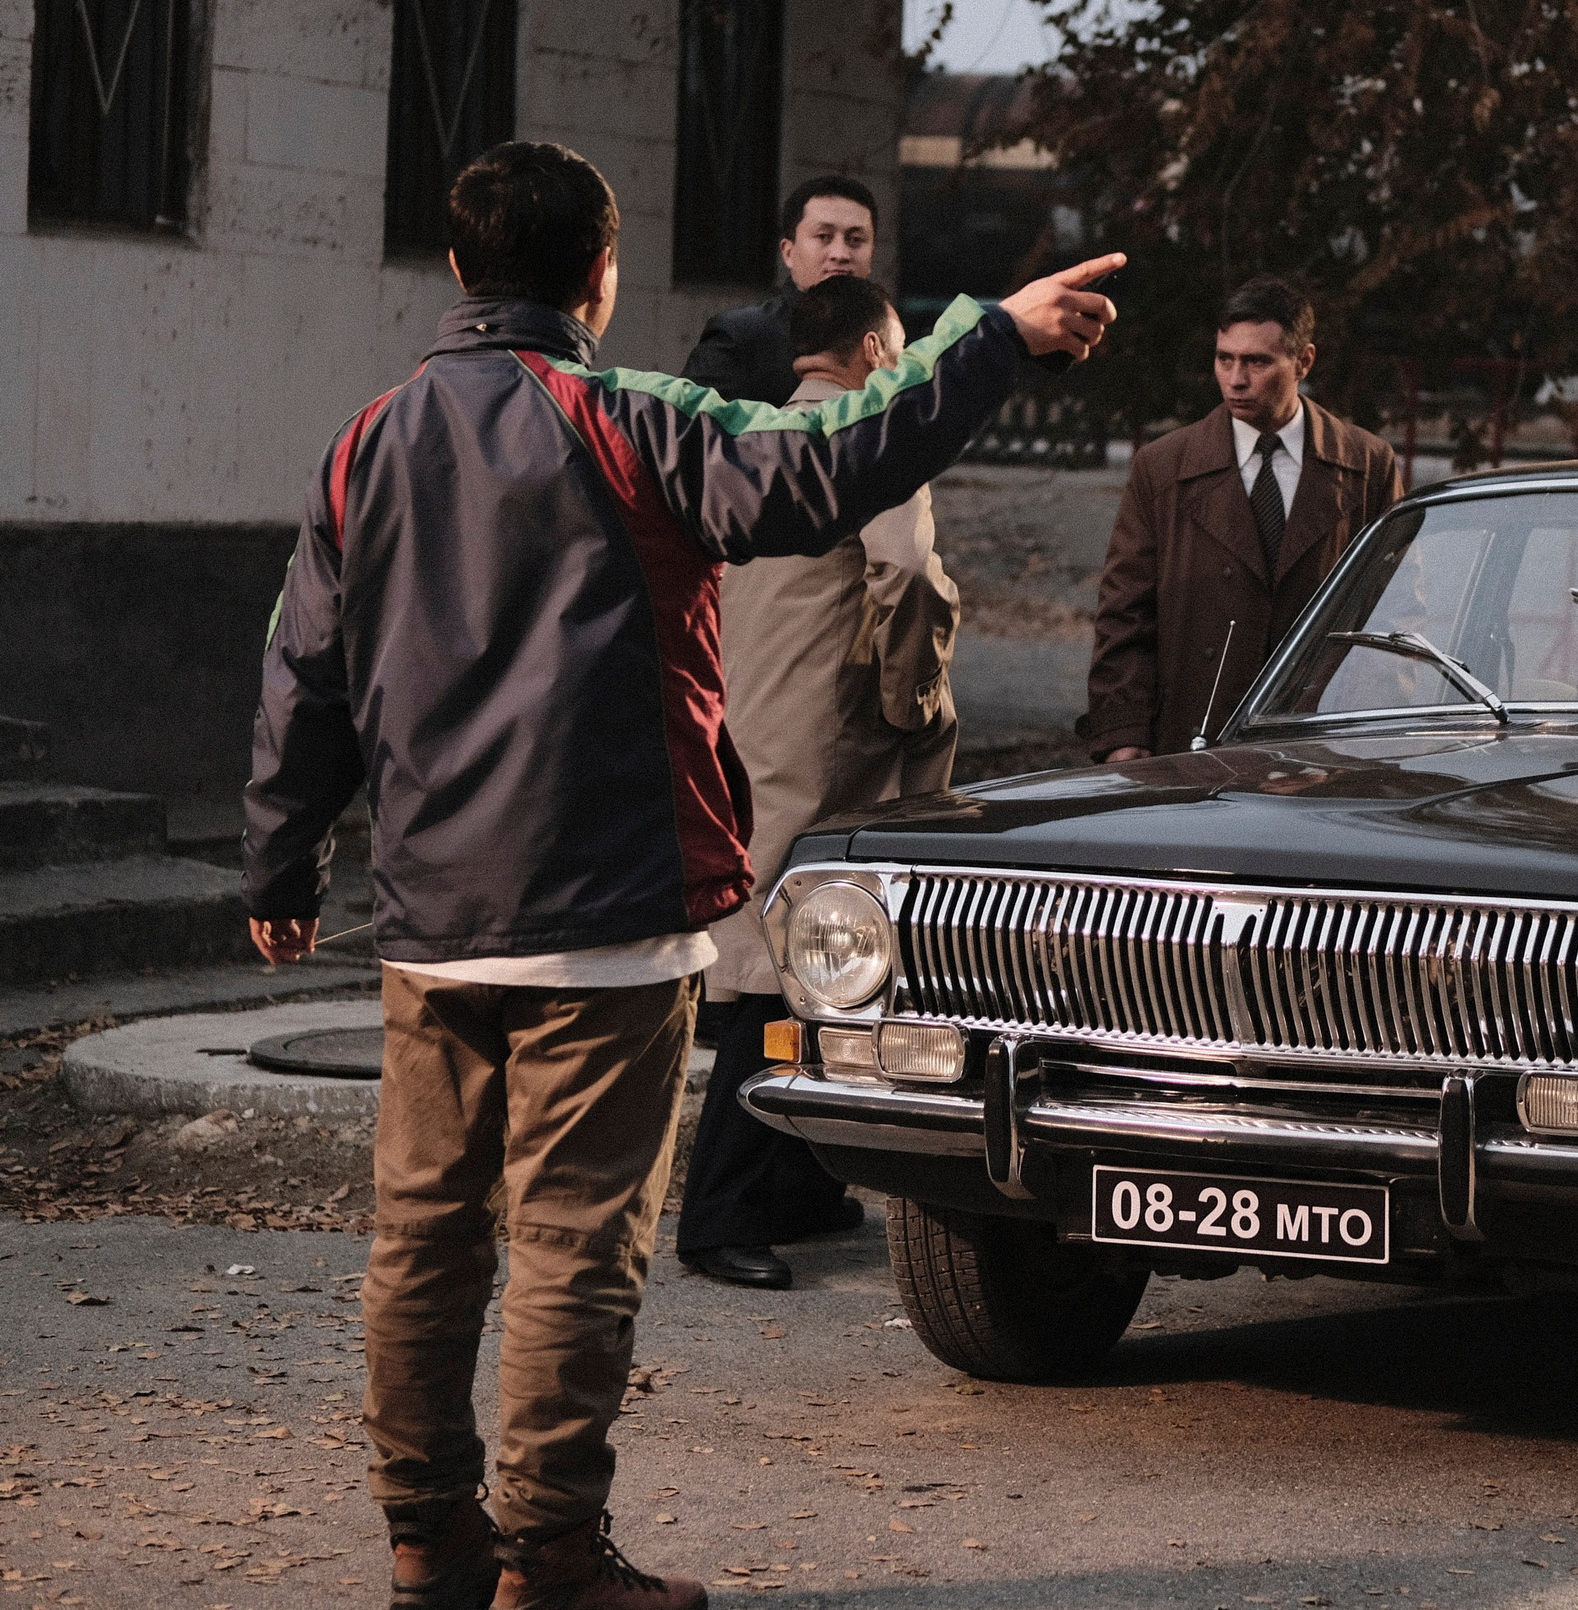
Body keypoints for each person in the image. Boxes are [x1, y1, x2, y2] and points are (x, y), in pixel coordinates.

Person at [240, 139, 1119, 1610]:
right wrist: (993, 335)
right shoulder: (633, 418)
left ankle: (427, 1541)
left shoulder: (366, 438)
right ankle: (551, 1555)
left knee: (424, 1240)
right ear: (602, 269)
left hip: (433, 923)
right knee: (577, 1244)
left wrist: (280, 854)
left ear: (458, 270)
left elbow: (301, 666)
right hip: (610, 919)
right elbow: (828, 464)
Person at [680, 274, 961, 1292]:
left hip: (746, 722)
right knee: (792, 970)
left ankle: (797, 1188)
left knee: (790, 959)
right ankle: (717, 1214)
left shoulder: (752, 438)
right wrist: (912, 705)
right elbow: (908, 579)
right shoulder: (871, 440)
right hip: (832, 739)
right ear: (876, 348)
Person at [1085, 276, 1404, 760]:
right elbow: (1125, 613)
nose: (1236, 379)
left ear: (1303, 362)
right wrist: (1123, 735)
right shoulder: (1164, 467)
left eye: (1257, 362)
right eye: (1224, 358)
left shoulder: (1367, 465)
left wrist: (1357, 740)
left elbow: (1393, 615)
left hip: (1319, 746)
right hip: (1191, 744)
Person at [680, 173, 879, 404]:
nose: (840, 254)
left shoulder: (889, 337)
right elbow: (689, 428)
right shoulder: (741, 335)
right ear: (788, 252)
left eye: (855, 240)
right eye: (824, 236)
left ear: (872, 253)